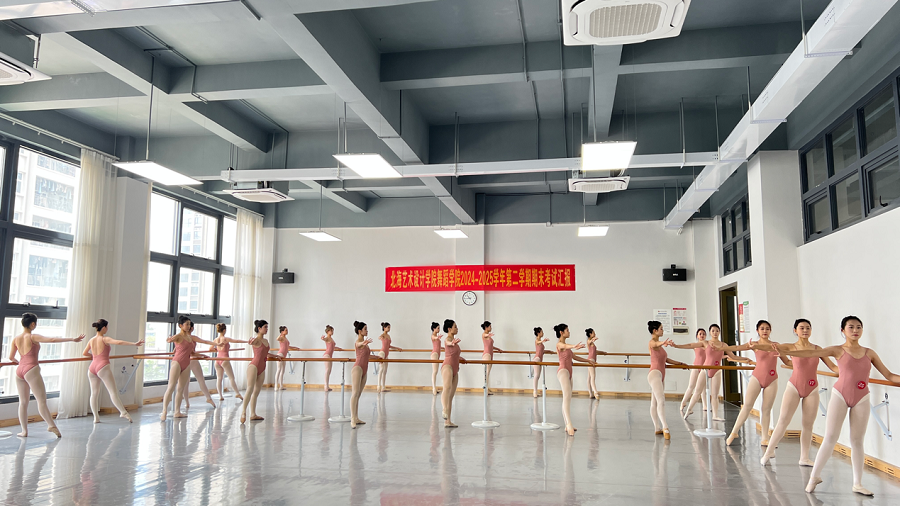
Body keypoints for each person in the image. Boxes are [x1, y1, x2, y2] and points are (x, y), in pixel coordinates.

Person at [777, 316, 900, 496]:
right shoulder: (837, 350)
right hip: (840, 396)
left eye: (859, 327)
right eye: (851, 327)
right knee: (830, 437)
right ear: (843, 330)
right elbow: (810, 353)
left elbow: (889, 375)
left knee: (857, 441)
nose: (855, 330)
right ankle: (813, 477)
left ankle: (857, 484)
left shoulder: (869, 353)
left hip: (862, 397)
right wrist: (779, 350)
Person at [761, 318, 839, 466]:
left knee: (808, 425)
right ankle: (769, 451)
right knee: (783, 420)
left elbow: (833, 367)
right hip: (794, 387)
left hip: (812, 388)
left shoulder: (817, 349)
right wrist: (752, 346)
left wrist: (848, 372)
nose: (805, 330)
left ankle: (804, 458)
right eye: (801, 328)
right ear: (795, 331)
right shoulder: (791, 347)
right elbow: (770, 347)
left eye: (808, 328)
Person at [9, 312, 84, 437]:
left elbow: (11, 357)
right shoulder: (32, 337)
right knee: (41, 400)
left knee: (23, 402)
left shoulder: (16, 339)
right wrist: (72, 339)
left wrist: (20, 363)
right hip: (31, 369)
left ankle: (24, 431)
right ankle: (51, 425)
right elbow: (52, 340)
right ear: (33, 324)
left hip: (20, 371)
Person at [723, 320, 791, 446]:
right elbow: (737, 348)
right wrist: (722, 348)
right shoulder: (754, 344)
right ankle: (734, 432)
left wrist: (800, 364)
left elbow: (787, 361)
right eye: (762, 328)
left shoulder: (776, 345)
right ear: (757, 331)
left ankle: (765, 437)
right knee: (747, 406)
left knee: (766, 409)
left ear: (770, 331)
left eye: (767, 329)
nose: (765, 331)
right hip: (757, 377)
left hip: (772, 379)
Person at [683, 324, 752, 421]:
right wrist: (676, 346)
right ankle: (689, 409)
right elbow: (691, 345)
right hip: (705, 369)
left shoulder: (724, 345)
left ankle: (715, 415)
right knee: (697, 391)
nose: (715, 333)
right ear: (710, 332)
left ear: (719, 332)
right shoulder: (706, 343)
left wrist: (745, 359)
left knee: (715, 395)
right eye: (713, 331)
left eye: (717, 331)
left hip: (717, 371)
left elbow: (733, 356)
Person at [82, 318, 143, 423]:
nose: (107, 329)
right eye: (107, 327)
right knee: (113, 392)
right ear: (104, 328)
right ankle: (123, 412)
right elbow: (119, 342)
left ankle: (96, 418)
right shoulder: (104, 339)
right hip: (102, 366)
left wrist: (94, 356)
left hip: (92, 368)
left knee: (94, 393)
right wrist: (134, 344)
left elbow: (84, 353)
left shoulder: (91, 340)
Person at [555, 323, 596, 436]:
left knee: (567, 398)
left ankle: (567, 424)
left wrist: (588, 361)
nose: (569, 332)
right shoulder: (559, 344)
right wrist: (573, 346)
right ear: (561, 332)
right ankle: (569, 425)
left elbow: (574, 357)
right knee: (566, 397)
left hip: (569, 373)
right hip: (563, 371)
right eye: (567, 330)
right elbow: (564, 346)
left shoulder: (566, 347)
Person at [646, 321, 683, 440]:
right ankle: (665, 427)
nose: (663, 330)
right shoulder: (652, 342)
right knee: (661, 400)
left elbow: (666, 360)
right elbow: (654, 344)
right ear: (655, 330)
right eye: (661, 328)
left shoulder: (660, 347)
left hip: (661, 375)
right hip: (654, 374)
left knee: (655, 402)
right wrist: (663, 342)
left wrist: (680, 363)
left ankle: (657, 428)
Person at [241, 320, 280, 424]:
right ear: (259, 328)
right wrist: (250, 342)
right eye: (265, 327)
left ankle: (253, 414)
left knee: (256, 391)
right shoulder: (256, 340)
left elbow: (265, 353)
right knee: (250, 389)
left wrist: (275, 356)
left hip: (262, 368)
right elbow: (252, 342)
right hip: (253, 366)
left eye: (267, 327)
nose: (267, 329)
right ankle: (243, 412)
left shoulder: (266, 341)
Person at [160, 315, 198, 421]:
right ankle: (164, 411)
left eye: (189, 324)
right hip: (177, 362)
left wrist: (204, 355)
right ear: (181, 325)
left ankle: (177, 411)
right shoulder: (178, 336)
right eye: (186, 324)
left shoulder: (190, 338)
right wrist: (169, 340)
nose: (188, 326)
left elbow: (192, 351)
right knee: (171, 387)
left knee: (180, 388)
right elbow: (170, 340)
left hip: (187, 363)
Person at [180, 321, 217, 411]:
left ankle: (187, 403)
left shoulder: (181, 337)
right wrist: (217, 344)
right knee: (200, 380)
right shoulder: (191, 337)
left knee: (186, 382)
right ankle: (208, 398)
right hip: (192, 360)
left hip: (186, 360)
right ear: (192, 328)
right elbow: (204, 342)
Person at [672, 328, 709, 415]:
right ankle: (683, 402)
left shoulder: (708, 345)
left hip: (704, 368)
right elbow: (688, 345)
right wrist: (676, 346)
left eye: (703, 334)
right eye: (700, 334)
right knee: (691, 386)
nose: (702, 335)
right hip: (696, 367)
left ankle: (705, 405)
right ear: (697, 336)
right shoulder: (696, 345)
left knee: (703, 388)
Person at [350, 321, 377, 428]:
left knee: (358, 395)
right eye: (365, 329)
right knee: (355, 393)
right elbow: (358, 345)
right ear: (360, 331)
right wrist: (363, 343)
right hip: (357, 368)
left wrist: (378, 358)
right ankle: (352, 418)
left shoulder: (365, 345)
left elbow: (367, 356)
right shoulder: (358, 342)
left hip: (364, 370)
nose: (367, 331)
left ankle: (356, 417)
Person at [440, 319, 466, 428]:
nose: (457, 328)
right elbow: (447, 343)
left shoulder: (454, 341)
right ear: (449, 329)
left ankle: (448, 421)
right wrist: (452, 343)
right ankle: (444, 409)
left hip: (455, 368)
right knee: (446, 388)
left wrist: (460, 358)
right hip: (447, 366)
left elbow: (454, 354)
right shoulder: (448, 339)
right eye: (455, 327)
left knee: (451, 396)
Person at [209, 323, 245, 401]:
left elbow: (210, 348)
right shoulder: (225, 339)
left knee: (219, 378)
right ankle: (237, 393)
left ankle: (220, 396)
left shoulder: (216, 339)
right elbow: (236, 341)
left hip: (217, 360)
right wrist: (246, 341)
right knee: (231, 378)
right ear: (224, 330)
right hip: (225, 359)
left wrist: (216, 349)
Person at [376, 322, 403, 393]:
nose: (389, 329)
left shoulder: (388, 336)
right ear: (384, 328)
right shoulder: (383, 335)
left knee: (385, 371)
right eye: (388, 327)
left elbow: (389, 346)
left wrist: (397, 348)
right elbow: (379, 337)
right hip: (382, 353)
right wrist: (381, 337)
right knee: (381, 369)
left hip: (386, 354)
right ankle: (378, 386)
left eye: (389, 327)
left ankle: (383, 387)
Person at [275, 326, 300, 390]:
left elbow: (288, 347)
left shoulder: (285, 338)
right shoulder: (281, 337)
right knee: (279, 370)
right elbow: (277, 339)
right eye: (286, 330)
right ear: (282, 331)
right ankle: (276, 386)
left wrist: (295, 348)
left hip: (284, 356)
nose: (287, 331)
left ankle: (281, 386)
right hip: (280, 354)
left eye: (287, 330)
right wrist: (280, 335)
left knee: (282, 371)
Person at [481, 321, 503, 395]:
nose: (491, 328)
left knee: (488, 373)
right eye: (490, 326)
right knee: (486, 373)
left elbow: (491, 346)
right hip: (486, 355)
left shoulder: (488, 336)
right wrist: (488, 335)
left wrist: (498, 349)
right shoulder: (484, 334)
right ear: (486, 327)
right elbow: (485, 335)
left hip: (490, 354)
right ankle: (485, 389)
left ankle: (487, 389)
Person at [532, 327, 555, 398]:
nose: (543, 333)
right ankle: (534, 392)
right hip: (537, 359)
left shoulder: (540, 341)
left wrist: (549, 351)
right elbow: (537, 342)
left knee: (538, 376)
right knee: (536, 376)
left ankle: (535, 391)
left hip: (540, 359)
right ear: (538, 333)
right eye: (542, 332)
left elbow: (541, 351)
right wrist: (543, 341)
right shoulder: (537, 340)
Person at [584, 329, 607, 400]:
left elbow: (595, 351)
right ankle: (595, 392)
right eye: (593, 333)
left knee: (589, 378)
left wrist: (603, 352)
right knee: (593, 377)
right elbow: (589, 342)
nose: (595, 334)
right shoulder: (589, 341)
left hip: (591, 360)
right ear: (590, 334)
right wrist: (593, 340)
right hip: (591, 360)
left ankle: (591, 394)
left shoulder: (591, 343)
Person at [321, 325, 343, 391]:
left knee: (329, 371)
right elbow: (324, 339)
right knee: (327, 370)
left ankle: (327, 386)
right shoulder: (327, 338)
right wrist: (322, 338)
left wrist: (338, 348)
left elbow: (332, 347)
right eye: (331, 331)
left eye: (333, 331)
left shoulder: (331, 338)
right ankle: (325, 386)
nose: (332, 332)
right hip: (327, 355)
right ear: (328, 331)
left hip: (330, 356)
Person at [429, 322, 444, 396]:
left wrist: (443, 348)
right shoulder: (433, 336)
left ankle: (434, 388)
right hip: (434, 354)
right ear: (434, 329)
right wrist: (438, 337)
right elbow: (434, 338)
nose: (439, 329)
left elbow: (437, 346)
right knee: (434, 371)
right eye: (438, 328)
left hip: (437, 354)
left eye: (439, 328)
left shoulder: (436, 337)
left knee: (436, 371)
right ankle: (434, 389)